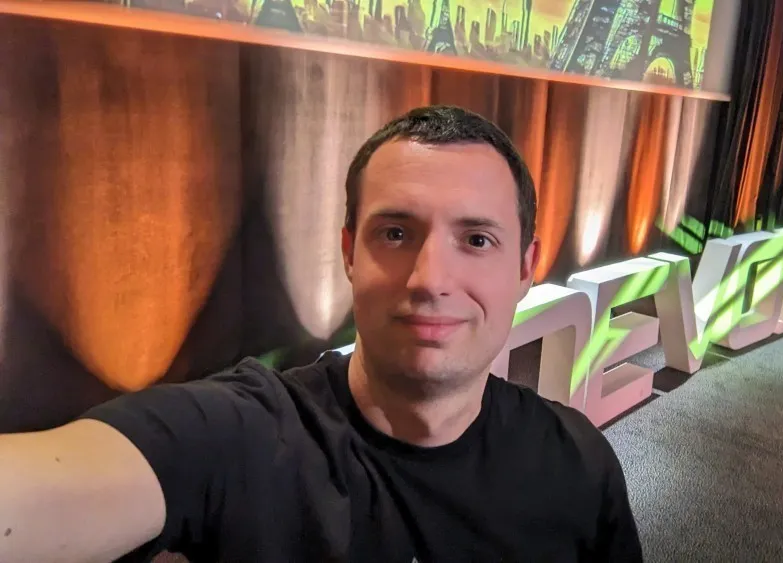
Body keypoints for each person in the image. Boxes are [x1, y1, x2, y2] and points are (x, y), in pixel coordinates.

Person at [0, 105, 643, 563]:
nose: (430, 279)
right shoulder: (244, 436)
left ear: (526, 268)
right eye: (395, 233)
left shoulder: (579, 463)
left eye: (476, 240)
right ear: (349, 253)